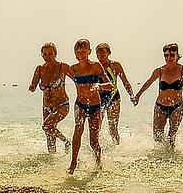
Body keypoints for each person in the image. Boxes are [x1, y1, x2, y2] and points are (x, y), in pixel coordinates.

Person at [132, 43, 183, 150]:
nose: (169, 58)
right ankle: (160, 159)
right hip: (160, 106)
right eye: (166, 55)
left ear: (177, 56)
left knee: (171, 137)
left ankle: (171, 159)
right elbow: (148, 83)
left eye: (172, 55)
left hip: (177, 107)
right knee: (157, 137)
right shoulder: (159, 71)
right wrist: (138, 96)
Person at [65, 39, 110, 174]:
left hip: (95, 106)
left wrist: (98, 85)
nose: (80, 54)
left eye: (83, 51)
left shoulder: (96, 66)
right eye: (77, 52)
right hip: (80, 104)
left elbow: (110, 85)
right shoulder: (73, 69)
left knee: (93, 140)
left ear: (89, 52)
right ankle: (73, 163)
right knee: (78, 130)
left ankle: (98, 163)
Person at [28, 42, 71, 154]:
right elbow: (33, 85)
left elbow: (78, 80)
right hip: (46, 107)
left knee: (47, 126)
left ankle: (66, 142)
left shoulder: (63, 67)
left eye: (50, 54)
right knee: (49, 137)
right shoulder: (40, 69)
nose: (47, 57)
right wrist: (32, 87)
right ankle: (52, 163)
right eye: (45, 54)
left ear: (55, 53)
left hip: (62, 105)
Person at [94, 43, 134, 145]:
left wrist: (131, 95)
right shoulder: (94, 67)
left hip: (114, 98)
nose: (100, 56)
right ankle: (96, 148)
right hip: (99, 100)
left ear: (108, 53)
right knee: (96, 128)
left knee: (113, 128)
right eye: (98, 54)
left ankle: (117, 147)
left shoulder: (115, 65)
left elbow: (125, 81)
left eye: (103, 54)